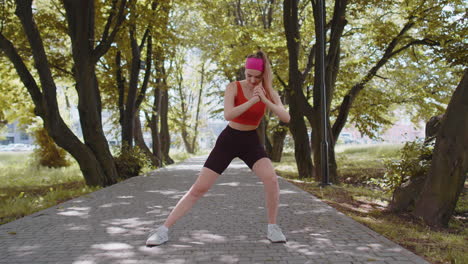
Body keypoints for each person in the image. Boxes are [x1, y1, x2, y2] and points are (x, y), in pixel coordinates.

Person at [146, 50, 290, 246]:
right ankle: (163, 230)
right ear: (244, 71)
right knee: (199, 188)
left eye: (257, 77)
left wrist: (265, 100)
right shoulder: (233, 87)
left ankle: (273, 227)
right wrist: (253, 101)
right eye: (249, 76)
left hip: (251, 140)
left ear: (263, 75)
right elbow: (229, 114)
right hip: (229, 140)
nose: (253, 81)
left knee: (271, 179)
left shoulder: (269, 91)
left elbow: (286, 117)